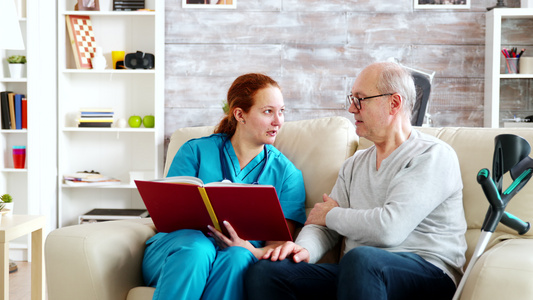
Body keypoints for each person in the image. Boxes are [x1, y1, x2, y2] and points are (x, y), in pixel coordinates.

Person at [245, 62, 467, 300]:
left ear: (394, 103)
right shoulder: (355, 164)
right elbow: (321, 225)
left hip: (427, 274)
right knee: (267, 272)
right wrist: (304, 250)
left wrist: (331, 215)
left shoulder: (432, 155)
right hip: (359, 273)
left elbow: (389, 229)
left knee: (362, 258)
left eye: (360, 99)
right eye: (352, 99)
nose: (352, 108)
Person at [142, 73, 306, 300]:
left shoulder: (288, 175)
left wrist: (248, 248)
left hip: (239, 255)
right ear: (240, 114)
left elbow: (278, 246)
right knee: (198, 248)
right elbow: (168, 219)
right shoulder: (194, 152)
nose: (278, 121)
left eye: (282, 111)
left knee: (237, 257)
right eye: (268, 111)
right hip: (180, 250)